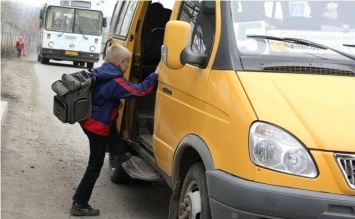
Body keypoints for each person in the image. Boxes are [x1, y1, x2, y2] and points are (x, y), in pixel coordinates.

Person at [70, 44, 159, 216]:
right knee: (95, 166)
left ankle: (118, 154)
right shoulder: (115, 82)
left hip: (89, 119)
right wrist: (154, 76)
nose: (128, 65)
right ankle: (79, 203)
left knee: (111, 127)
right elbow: (138, 91)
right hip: (96, 126)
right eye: (127, 62)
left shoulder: (103, 71)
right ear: (120, 63)